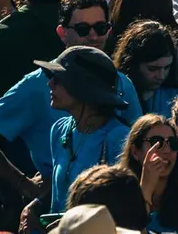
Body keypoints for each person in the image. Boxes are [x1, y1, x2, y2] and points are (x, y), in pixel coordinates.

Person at [0, 0, 141, 204]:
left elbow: (138, 161)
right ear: (62, 33)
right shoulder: (40, 93)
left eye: (101, 27)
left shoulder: (123, 85)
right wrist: (26, 187)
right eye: (82, 29)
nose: (94, 36)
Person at [35, 45, 133, 217]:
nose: (50, 83)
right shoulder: (58, 130)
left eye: (58, 79)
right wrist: (34, 207)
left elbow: (122, 207)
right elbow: (58, 195)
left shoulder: (119, 137)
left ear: (82, 87)